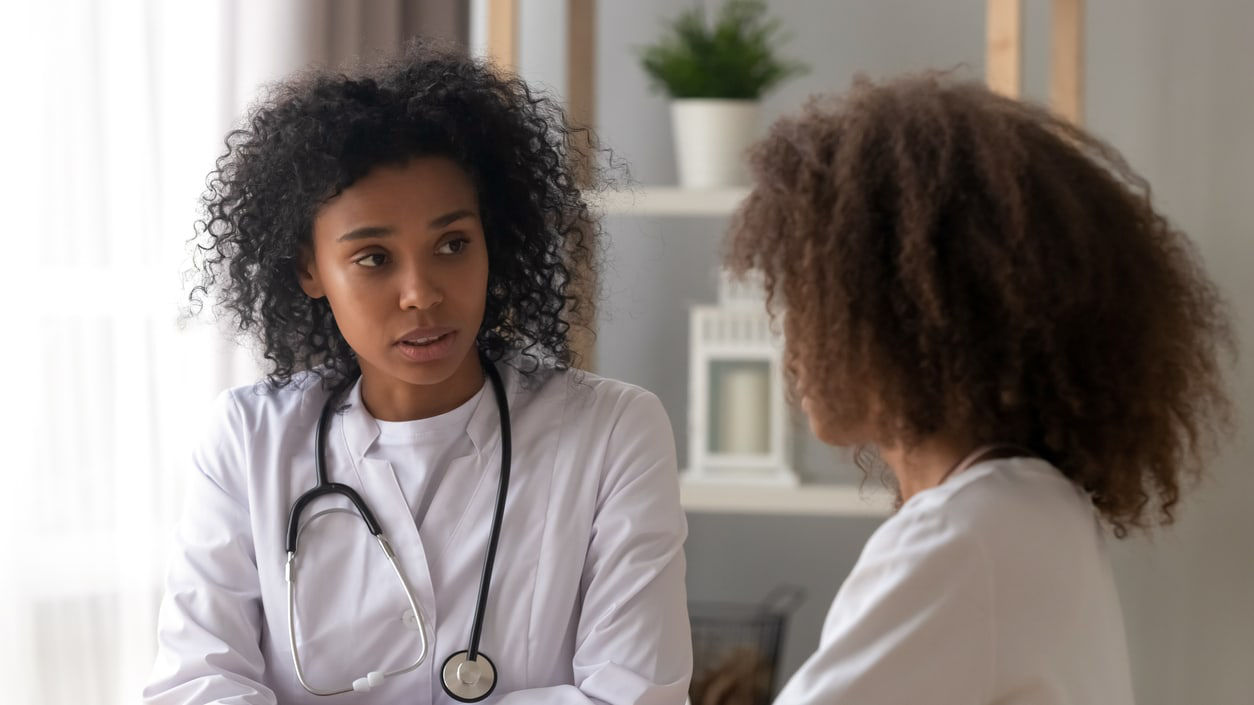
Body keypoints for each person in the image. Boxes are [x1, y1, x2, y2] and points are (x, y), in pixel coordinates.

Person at [144, 42, 691, 705]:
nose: (422, 293)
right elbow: (195, 686)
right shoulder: (248, 440)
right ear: (309, 269)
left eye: (453, 244)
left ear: (495, 241)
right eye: (373, 257)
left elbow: (635, 696)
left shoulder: (613, 432)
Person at [725, 74, 1233, 704]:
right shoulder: (1035, 507)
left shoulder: (962, 539)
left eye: (815, 301)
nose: (793, 345)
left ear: (913, 317)